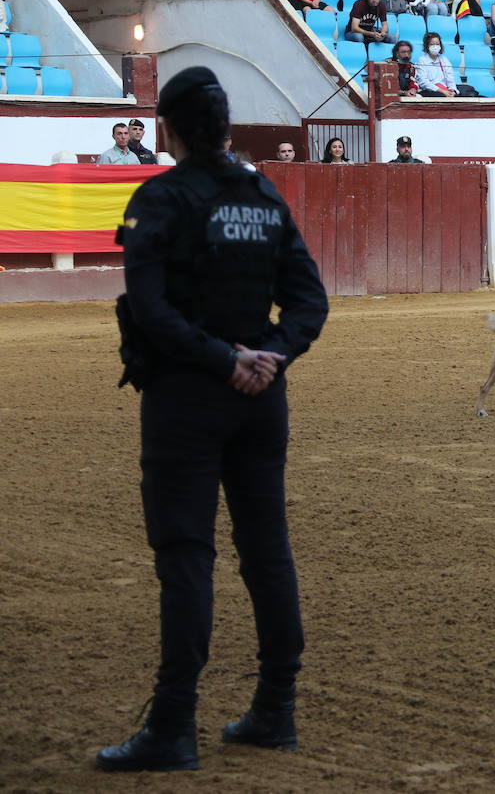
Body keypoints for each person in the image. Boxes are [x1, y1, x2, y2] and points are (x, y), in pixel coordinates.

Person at [97, 66, 327, 773]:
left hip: (188, 398)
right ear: (227, 129)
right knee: (268, 553)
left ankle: (173, 725)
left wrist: (222, 360)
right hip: (263, 400)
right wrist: (269, 356)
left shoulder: (161, 198)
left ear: (169, 130)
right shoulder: (264, 195)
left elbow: (150, 309)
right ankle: (275, 709)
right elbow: (309, 302)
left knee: (187, 555)